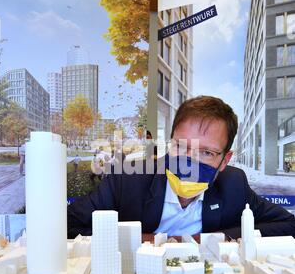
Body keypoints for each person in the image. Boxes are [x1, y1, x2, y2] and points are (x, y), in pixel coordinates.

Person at [67, 96, 295, 240]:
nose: (188, 163)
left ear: (225, 160)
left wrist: (214, 239)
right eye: (181, 146)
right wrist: (149, 240)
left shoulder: (234, 185)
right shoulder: (128, 179)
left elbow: (289, 225)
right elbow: (69, 225)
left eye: (206, 152)